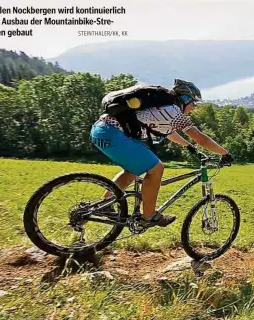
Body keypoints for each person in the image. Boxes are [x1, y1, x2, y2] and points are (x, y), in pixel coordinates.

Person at [90, 79, 233, 228]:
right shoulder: (173, 113)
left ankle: (106, 204)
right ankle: (149, 216)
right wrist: (225, 153)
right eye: (193, 104)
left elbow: (169, 133)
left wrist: (189, 147)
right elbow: (201, 138)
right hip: (113, 135)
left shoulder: (163, 109)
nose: (193, 108)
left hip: (101, 131)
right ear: (185, 100)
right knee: (156, 168)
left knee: (133, 171)